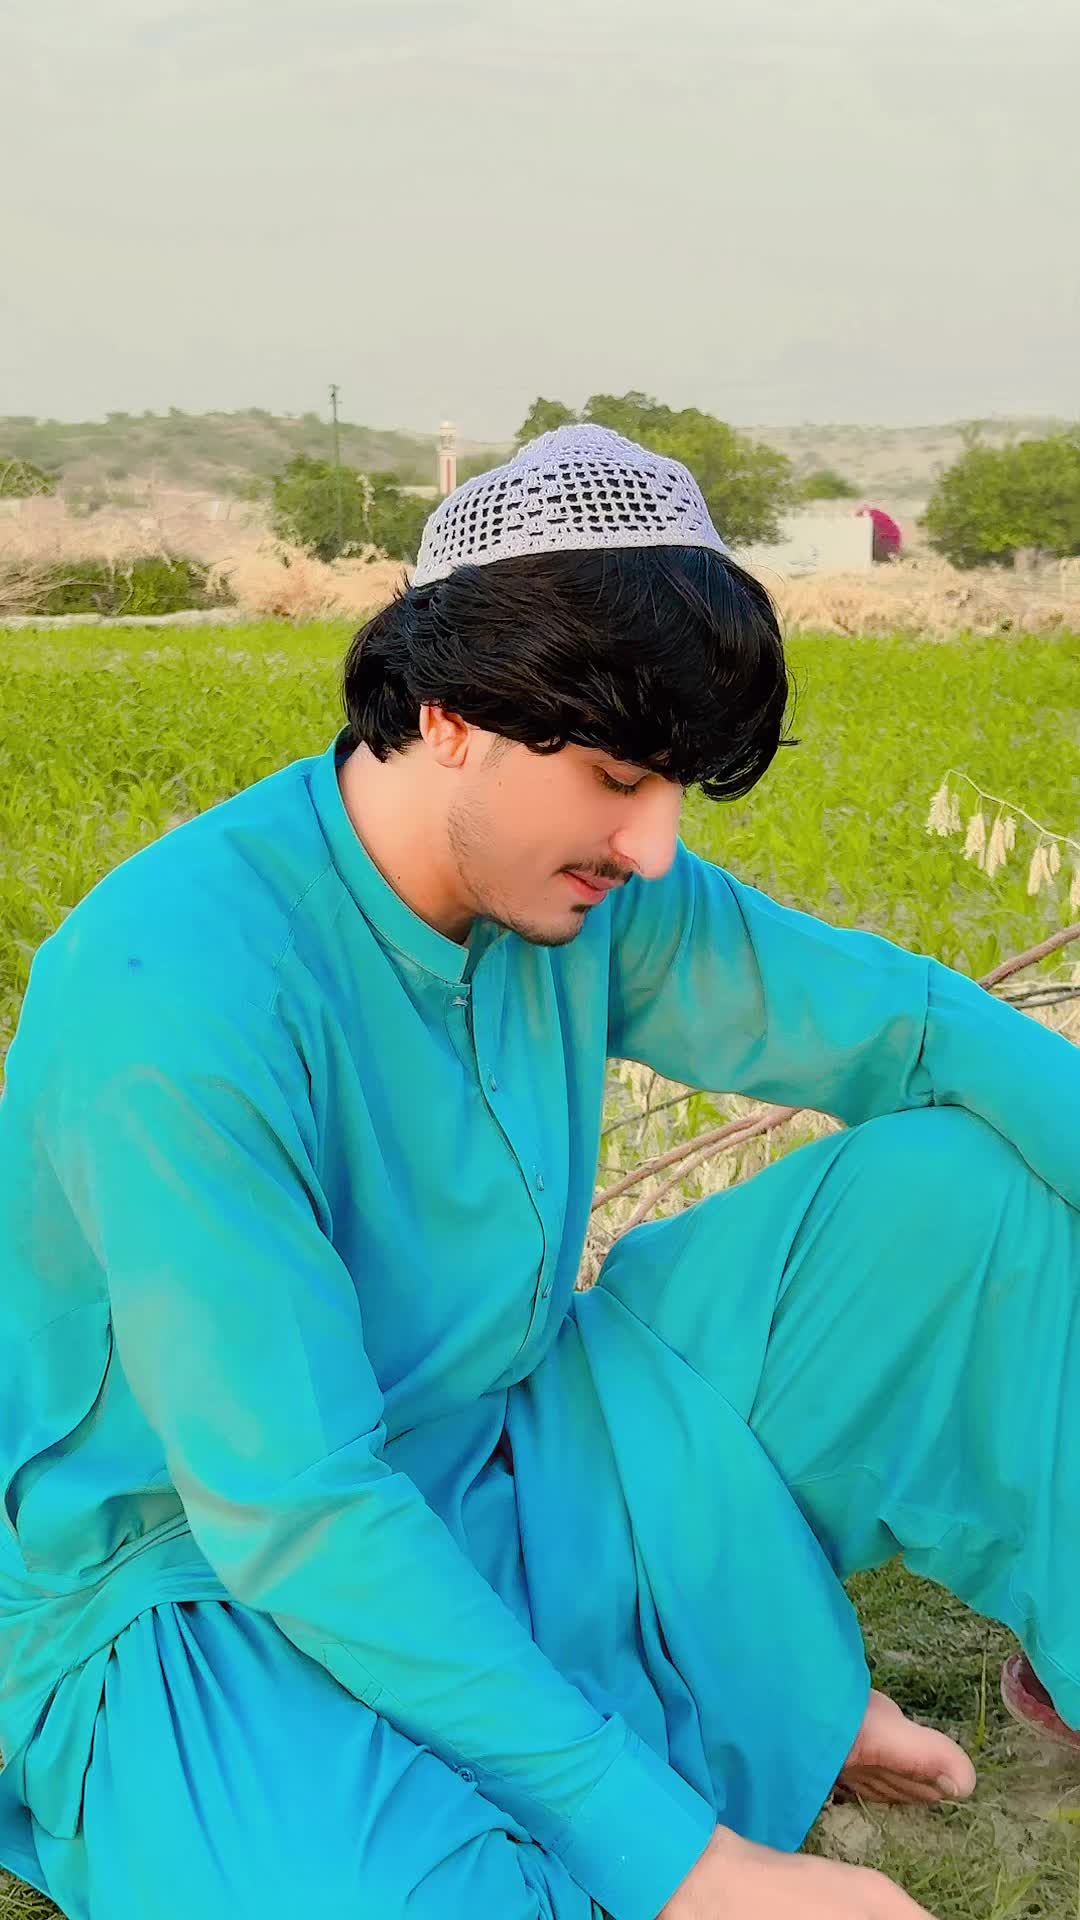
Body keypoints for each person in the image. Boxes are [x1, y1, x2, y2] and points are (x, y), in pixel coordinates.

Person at [0, 425, 1076, 1920]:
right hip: (197, 1581)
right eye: (618, 778)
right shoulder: (176, 996)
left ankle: (761, 1682)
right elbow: (295, 1504)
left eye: (675, 785)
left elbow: (907, 1032)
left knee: (976, 1197)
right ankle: (716, 1708)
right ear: (451, 715)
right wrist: (694, 1868)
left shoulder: (578, 888)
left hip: (515, 1455)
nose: (655, 846)